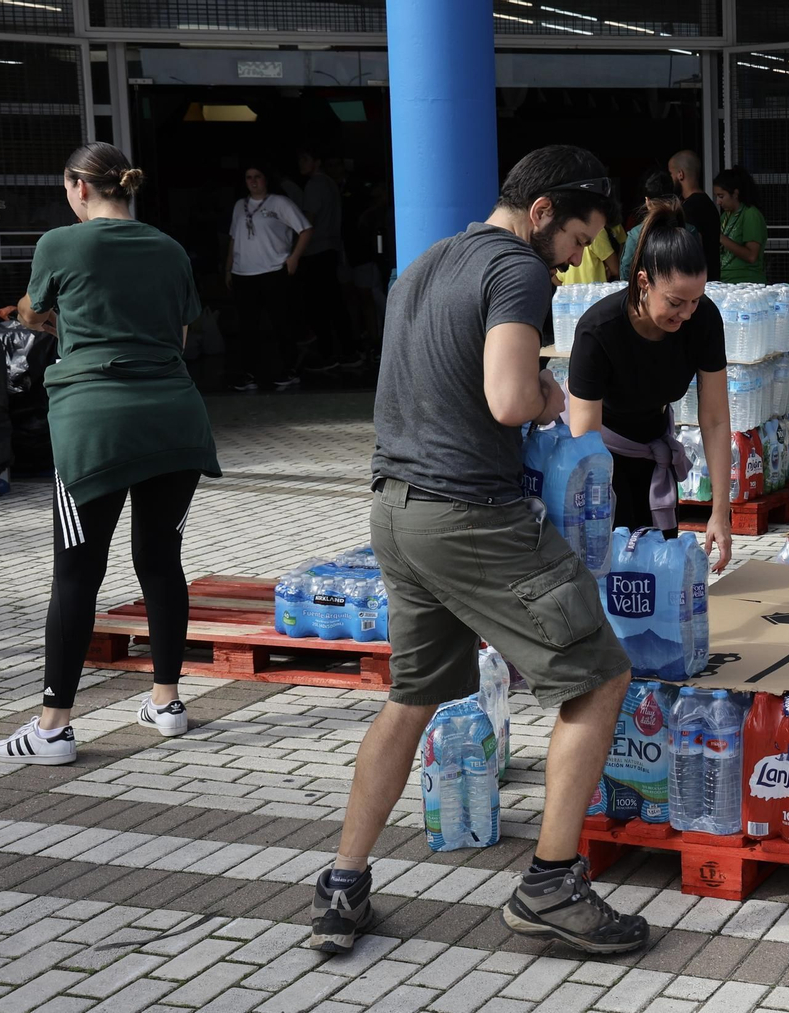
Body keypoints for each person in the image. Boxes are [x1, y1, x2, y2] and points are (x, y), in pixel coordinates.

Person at [309, 146, 648, 956]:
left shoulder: (427, 263)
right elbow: (506, 398)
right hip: (471, 517)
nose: (569, 266)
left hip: (394, 512)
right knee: (600, 676)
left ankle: (343, 883)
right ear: (540, 214)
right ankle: (551, 885)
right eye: (573, 243)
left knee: (414, 693)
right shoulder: (516, 270)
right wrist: (550, 396)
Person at [0, 142, 220, 765]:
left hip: (94, 428)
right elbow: (178, 336)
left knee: (77, 571)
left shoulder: (59, 244)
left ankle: (52, 729)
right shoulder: (170, 249)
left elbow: (33, 311)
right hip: (176, 422)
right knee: (160, 559)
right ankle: (168, 703)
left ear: (78, 187)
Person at [568, 197, 733, 568]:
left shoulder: (703, 319)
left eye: (696, 300)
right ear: (643, 282)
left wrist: (720, 512)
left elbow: (716, 419)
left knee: (658, 569)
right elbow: (585, 439)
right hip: (602, 455)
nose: (687, 314)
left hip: (654, 448)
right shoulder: (599, 331)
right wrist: (593, 515)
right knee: (615, 569)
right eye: (676, 302)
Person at [225, 163, 312, 391]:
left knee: (281, 322)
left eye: (257, 177)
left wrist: (294, 258)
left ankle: (289, 369)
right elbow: (233, 239)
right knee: (247, 327)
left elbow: (305, 229)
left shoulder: (279, 203)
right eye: (248, 177)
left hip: (273, 270)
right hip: (244, 272)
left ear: (266, 179)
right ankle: (248, 373)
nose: (253, 181)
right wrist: (228, 268)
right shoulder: (239, 206)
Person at [295, 144, 361, 369]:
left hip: (317, 250)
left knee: (318, 304)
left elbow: (308, 220)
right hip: (331, 247)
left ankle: (327, 353)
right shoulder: (331, 184)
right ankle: (348, 350)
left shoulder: (315, 185)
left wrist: (296, 247)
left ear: (316, 162)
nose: (301, 164)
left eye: (305, 159)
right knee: (334, 302)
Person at [620, 169, 695, 281]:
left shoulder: (637, 234)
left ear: (647, 201)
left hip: (648, 295)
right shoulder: (689, 231)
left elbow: (626, 273)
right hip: (684, 295)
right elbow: (697, 269)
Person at [668, 149, 721, 282]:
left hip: (697, 283)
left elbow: (691, 250)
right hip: (712, 279)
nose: (670, 178)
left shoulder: (689, 208)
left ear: (680, 174)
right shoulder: (708, 203)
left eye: (671, 174)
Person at [712, 165, 768, 285]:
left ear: (735, 194)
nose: (718, 202)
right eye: (716, 196)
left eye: (721, 196)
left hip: (746, 284)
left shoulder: (750, 214)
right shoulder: (725, 216)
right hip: (724, 282)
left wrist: (721, 238)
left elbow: (751, 256)